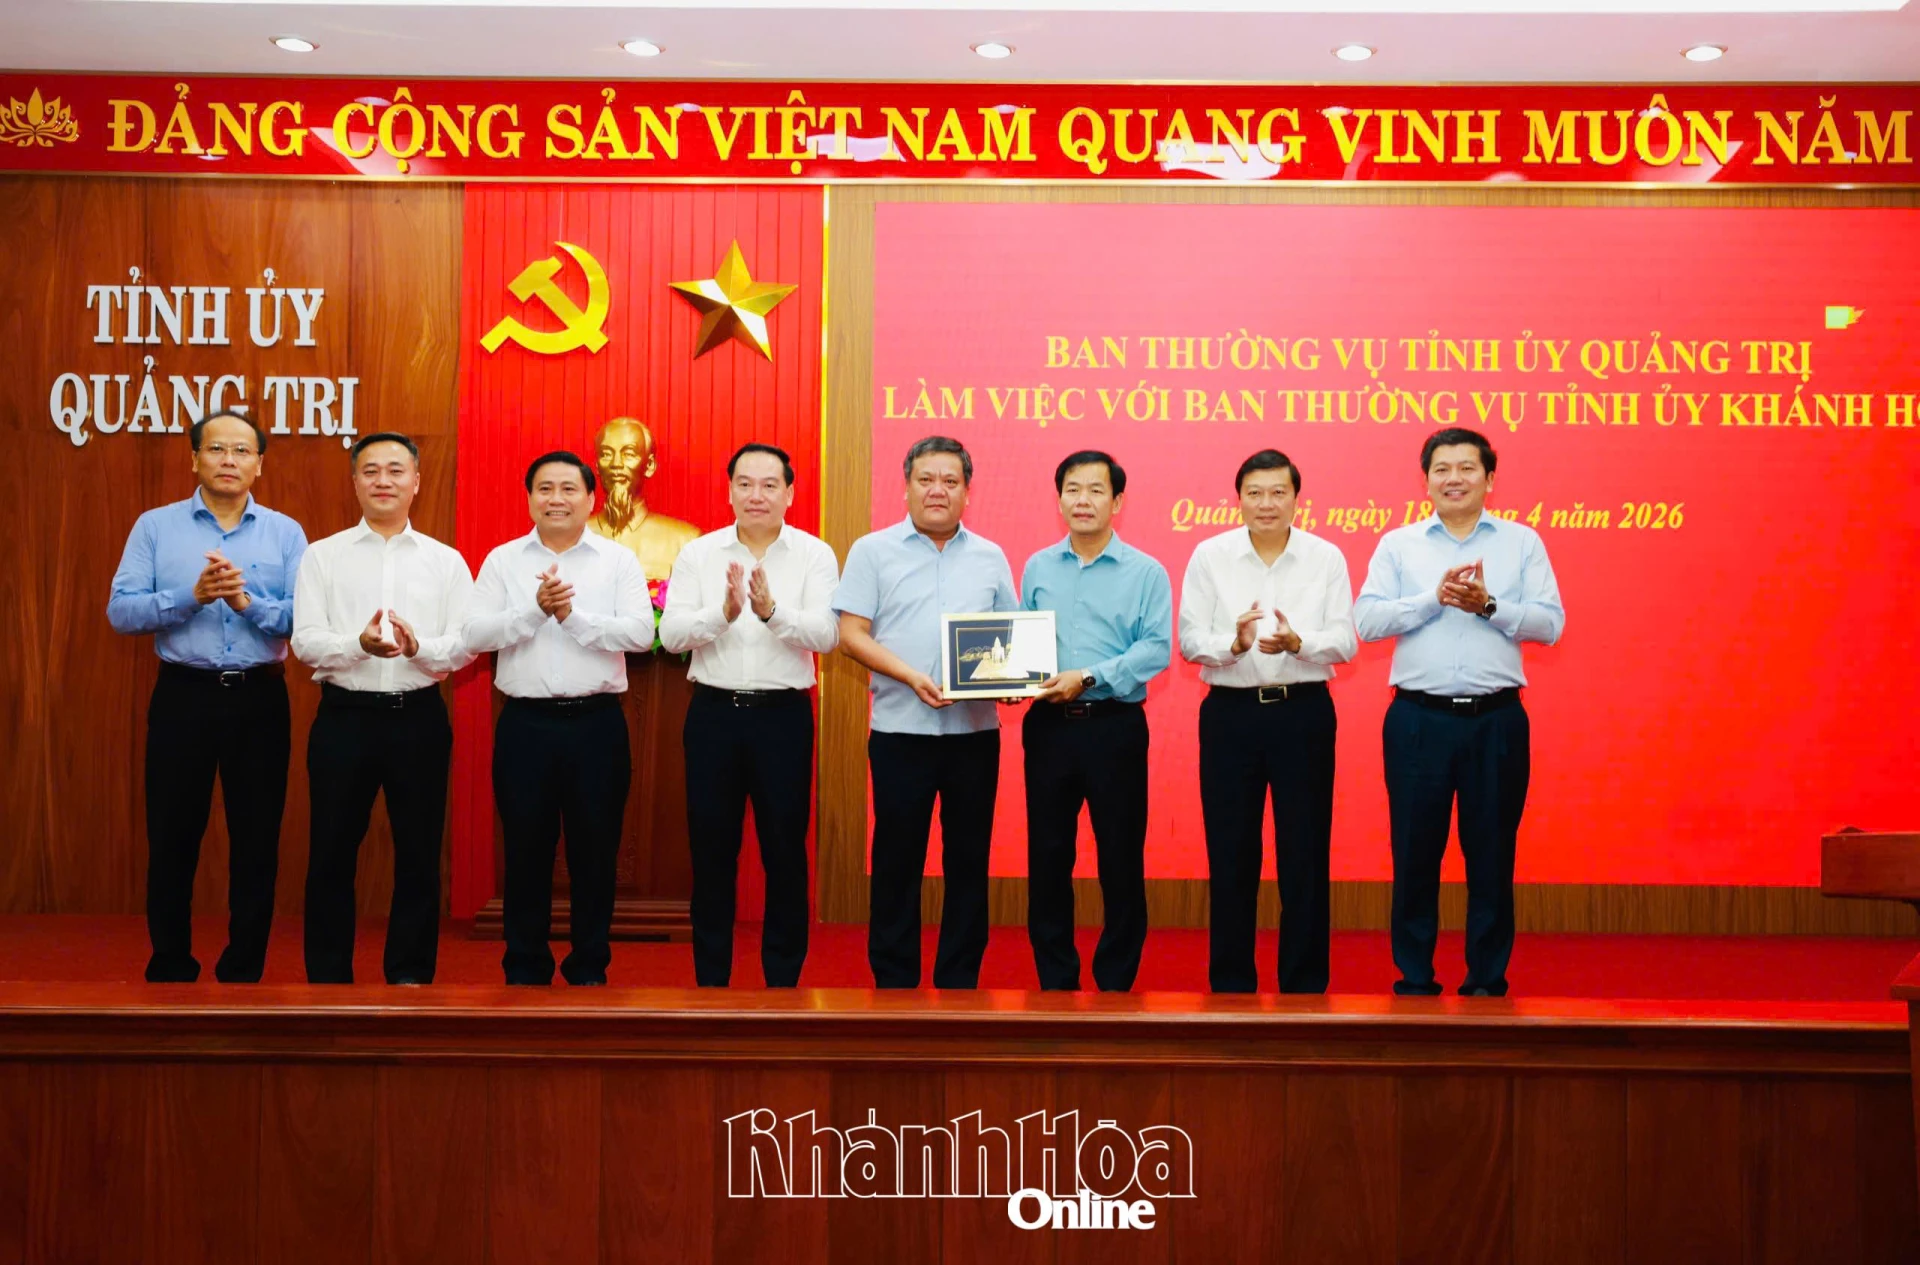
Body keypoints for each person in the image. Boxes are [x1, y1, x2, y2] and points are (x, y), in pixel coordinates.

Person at [1354, 427, 1565, 997]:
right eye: (1441, 469)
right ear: (1425, 481)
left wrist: (1489, 605)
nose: (1454, 478)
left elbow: (1551, 624)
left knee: (1492, 854)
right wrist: (1435, 599)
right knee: (1414, 851)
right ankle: (1415, 976)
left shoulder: (1522, 543)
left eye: (1467, 468)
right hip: (1417, 721)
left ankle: (1487, 979)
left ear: (1489, 479)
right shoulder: (1399, 545)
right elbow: (1367, 621)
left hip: (1496, 721)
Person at [107, 408, 307, 983]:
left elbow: (306, 619)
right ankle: (170, 960)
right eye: (216, 449)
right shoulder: (155, 527)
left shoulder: (286, 533)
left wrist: (247, 605)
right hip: (183, 697)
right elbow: (121, 611)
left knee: (257, 838)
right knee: (172, 834)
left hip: (258, 699)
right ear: (194, 458)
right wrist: (190, 597)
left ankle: (244, 965)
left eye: (242, 451)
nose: (228, 460)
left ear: (259, 465)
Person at [464, 451, 655, 986]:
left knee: (596, 851)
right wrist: (533, 612)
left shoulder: (617, 561)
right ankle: (525, 966)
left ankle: (589, 965)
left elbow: (641, 634)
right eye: (544, 488)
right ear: (529, 498)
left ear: (591, 498)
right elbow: (474, 634)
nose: (556, 499)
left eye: (569, 489)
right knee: (525, 850)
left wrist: (572, 617)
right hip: (525, 727)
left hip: (597, 726)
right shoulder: (503, 560)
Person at [833, 436, 1018, 989]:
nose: (938, 490)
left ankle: (959, 981)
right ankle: (894, 983)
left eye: (950, 481)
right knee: (897, 860)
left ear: (967, 492)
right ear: (907, 485)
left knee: (969, 861)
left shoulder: (990, 556)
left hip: (973, 735)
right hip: (900, 732)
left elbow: (1009, 639)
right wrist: (909, 676)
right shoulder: (872, 551)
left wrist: (1013, 682)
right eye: (926, 479)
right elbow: (850, 634)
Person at [290, 432, 474, 985]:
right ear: (355, 482)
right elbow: (305, 641)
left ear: (416, 482)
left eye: (396, 470)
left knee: (419, 853)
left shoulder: (445, 561)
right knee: (330, 852)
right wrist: (357, 646)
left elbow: (464, 645)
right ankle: (328, 978)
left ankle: (410, 976)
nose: (383, 481)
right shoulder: (322, 556)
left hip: (418, 718)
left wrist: (420, 649)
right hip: (344, 718)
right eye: (371, 471)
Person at [660, 442, 840, 987]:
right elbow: (672, 635)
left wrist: (771, 613)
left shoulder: (814, 555)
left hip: (782, 719)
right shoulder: (699, 554)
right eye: (744, 483)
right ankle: (711, 981)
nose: (755, 494)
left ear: (790, 493)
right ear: (729, 490)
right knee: (711, 851)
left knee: (785, 851)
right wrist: (723, 614)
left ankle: (782, 982)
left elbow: (827, 635)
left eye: (768, 484)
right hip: (713, 716)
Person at [1178, 449, 1355, 994]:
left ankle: (1304, 986)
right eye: (1254, 493)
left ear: (1297, 498)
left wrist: (1300, 643)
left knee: (1305, 851)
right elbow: (1189, 639)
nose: (1266, 503)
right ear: (1238, 499)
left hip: (1303, 714)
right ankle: (1232, 985)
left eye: (1279, 492)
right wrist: (1233, 645)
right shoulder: (1210, 555)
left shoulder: (1326, 557)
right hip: (1230, 717)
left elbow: (1345, 640)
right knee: (1231, 851)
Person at [1017, 450, 1172, 992]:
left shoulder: (1146, 572)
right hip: (1049, 729)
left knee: (1120, 856)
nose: (1083, 500)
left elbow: (1155, 649)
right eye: (1073, 489)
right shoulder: (1037, 567)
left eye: (1096, 490)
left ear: (1117, 501)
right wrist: (1010, 680)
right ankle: (1056, 980)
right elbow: (1021, 641)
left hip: (1114, 727)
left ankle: (1115, 983)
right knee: (1048, 855)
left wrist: (1088, 676)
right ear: (1059, 499)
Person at [588, 416, 701, 582]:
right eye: (606, 454)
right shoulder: (572, 537)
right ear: (597, 466)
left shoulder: (684, 542)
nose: (616, 464)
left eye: (628, 454)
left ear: (649, 465)